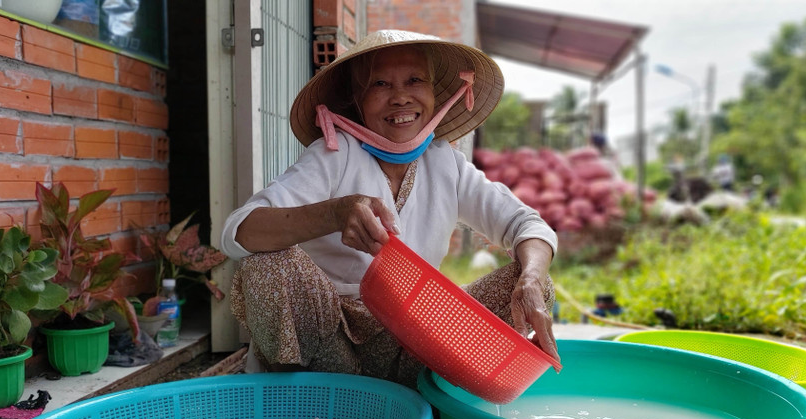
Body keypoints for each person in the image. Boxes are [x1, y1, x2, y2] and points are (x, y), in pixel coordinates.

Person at [220, 30, 559, 388]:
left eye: (415, 81)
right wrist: (334, 213)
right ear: (357, 99)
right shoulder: (334, 155)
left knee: (533, 283)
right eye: (380, 84)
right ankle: (314, 406)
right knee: (266, 263)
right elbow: (237, 232)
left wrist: (532, 279)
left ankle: (438, 398)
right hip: (329, 349)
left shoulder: (447, 164)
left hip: (416, 342)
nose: (400, 98)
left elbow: (528, 224)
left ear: (434, 93)